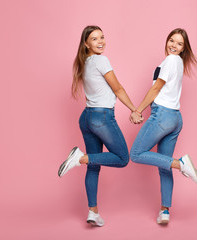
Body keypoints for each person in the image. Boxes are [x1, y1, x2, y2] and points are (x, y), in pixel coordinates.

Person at [58, 25, 141, 227]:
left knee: (93, 167)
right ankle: (80, 158)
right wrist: (134, 110)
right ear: (86, 43)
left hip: (86, 117)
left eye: (102, 37)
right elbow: (118, 88)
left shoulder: (84, 62)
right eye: (94, 39)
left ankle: (93, 212)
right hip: (101, 117)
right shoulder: (101, 60)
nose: (100, 41)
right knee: (122, 158)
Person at [130, 28, 197, 225]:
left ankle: (181, 165)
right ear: (167, 40)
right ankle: (165, 211)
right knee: (163, 164)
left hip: (162, 115)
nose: (174, 45)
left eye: (179, 44)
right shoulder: (177, 62)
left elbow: (156, 88)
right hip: (175, 118)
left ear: (184, 48)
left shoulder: (171, 60)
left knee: (135, 153)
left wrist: (138, 110)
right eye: (172, 40)